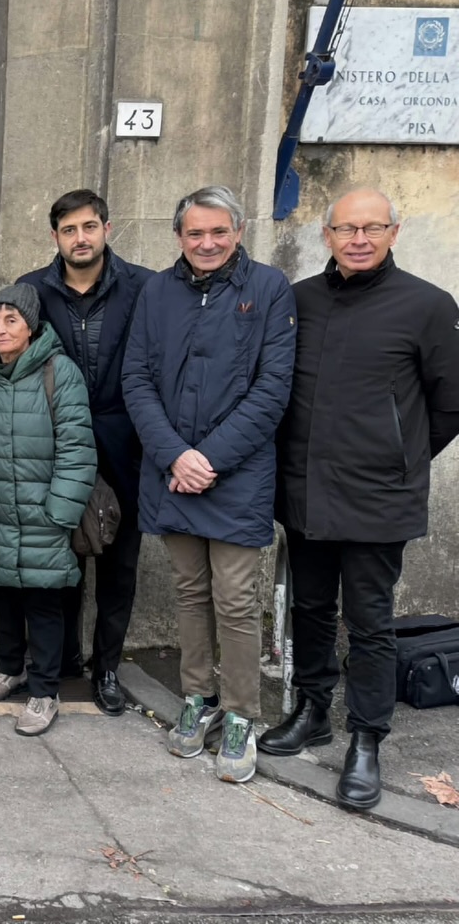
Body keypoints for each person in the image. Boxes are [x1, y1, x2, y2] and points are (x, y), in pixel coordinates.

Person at [262, 188, 459, 810]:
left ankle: (367, 739)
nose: (359, 238)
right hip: (306, 491)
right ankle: (313, 710)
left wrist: (398, 459)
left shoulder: (428, 305)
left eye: (373, 227)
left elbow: (449, 404)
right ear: (327, 236)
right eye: (346, 228)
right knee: (312, 608)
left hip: (379, 498)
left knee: (369, 623)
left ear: (394, 233)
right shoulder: (300, 301)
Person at [122, 185, 296, 785]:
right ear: (178, 237)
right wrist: (175, 454)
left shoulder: (269, 289)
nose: (207, 243)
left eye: (219, 231)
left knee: (237, 600)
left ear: (239, 232)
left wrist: (209, 458)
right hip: (173, 471)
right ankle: (198, 697)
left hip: (237, 474)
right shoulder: (157, 291)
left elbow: (273, 388)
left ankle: (242, 711)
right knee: (189, 593)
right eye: (195, 233)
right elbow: (137, 379)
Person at [18, 189, 153, 715]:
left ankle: (108, 668)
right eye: (69, 229)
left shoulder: (145, 288)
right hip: (56, 447)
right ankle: (63, 658)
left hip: (127, 446)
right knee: (61, 560)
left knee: (120, 566)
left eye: (89, 227)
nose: (80, 238)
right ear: (55, 236)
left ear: (107, 228)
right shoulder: (33, 291)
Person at [0, 284, 96, 736]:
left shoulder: (59, 372)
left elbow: (77, 449)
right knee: (4, 596)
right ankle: (8, 668)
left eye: (12, 319)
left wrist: (59, 513)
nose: (1, 328)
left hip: (42, 515)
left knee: (45, 603)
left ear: (31, 327)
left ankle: (45, 689)